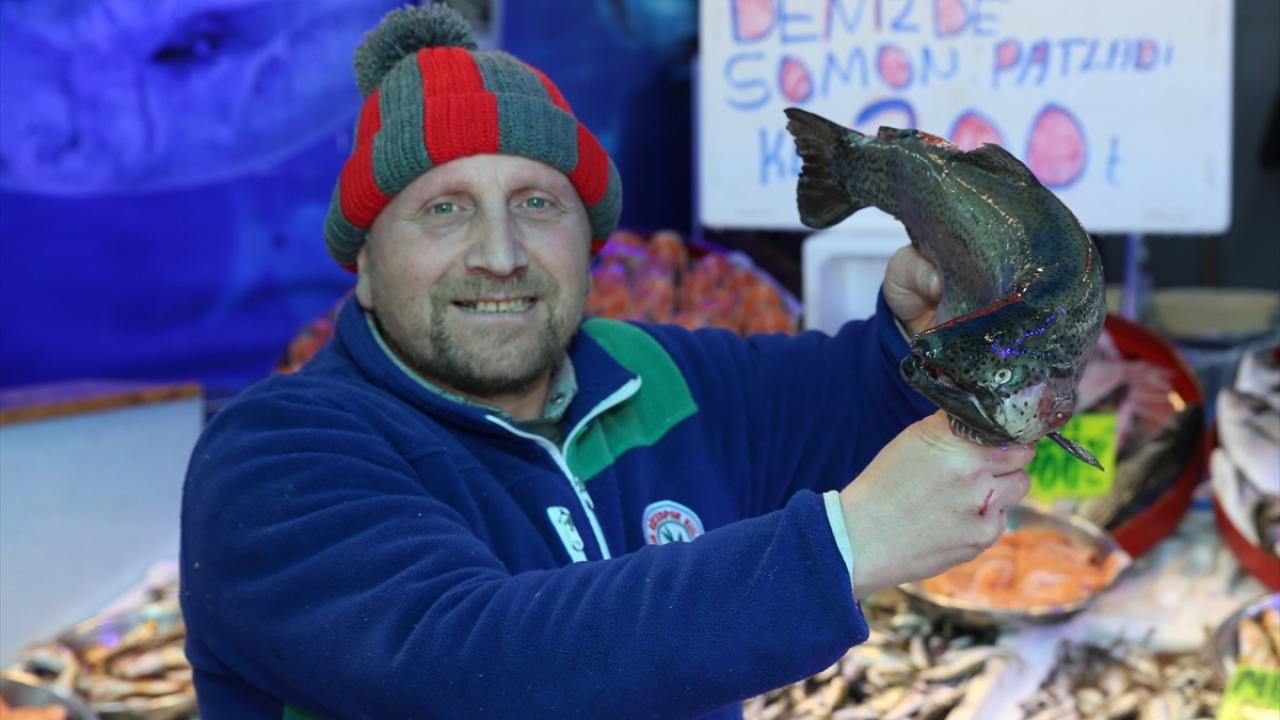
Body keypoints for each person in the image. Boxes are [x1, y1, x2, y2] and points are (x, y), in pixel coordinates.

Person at [180, 5, 1034, 719]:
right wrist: (846, 544)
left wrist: (931, 338)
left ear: (590, 244)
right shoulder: (275, 456)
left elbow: (856, 401)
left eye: (536, 203)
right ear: (364, 265)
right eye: (444, 209)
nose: (500, 255)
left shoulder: (655, 374)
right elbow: (469, 663)